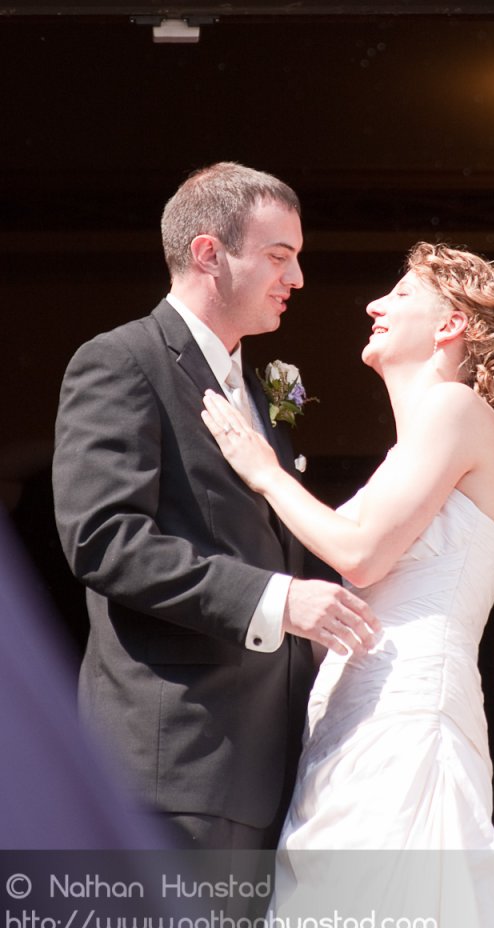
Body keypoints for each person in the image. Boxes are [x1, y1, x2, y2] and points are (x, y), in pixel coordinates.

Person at [202, 241, 494, 928]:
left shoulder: (457, 409)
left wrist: (266, 474)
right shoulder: (423, 440)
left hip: (407, 723)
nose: (373, 306)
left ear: (452, 324)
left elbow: (359, 551)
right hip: (359, 723)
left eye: (399, 294)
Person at [52, 162, 378, 853]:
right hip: (176, 770)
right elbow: (105, 539)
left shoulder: (259, 390)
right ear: (208, 254)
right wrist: (277, 601)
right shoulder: (122, 361)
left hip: (268, 769)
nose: (296, 280)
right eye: (278, 257)